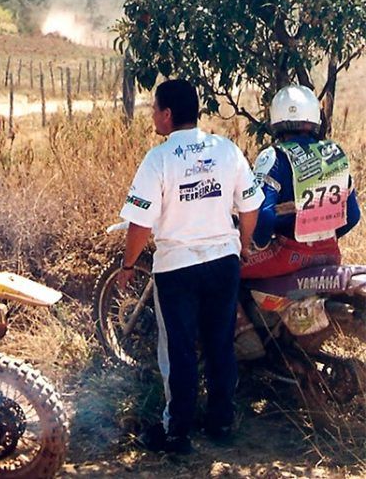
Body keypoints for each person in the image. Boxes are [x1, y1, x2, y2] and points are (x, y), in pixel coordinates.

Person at [117, 79, 263, 453]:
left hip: (177, 268)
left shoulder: (159, 159)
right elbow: (249, 208)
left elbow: (139, 224)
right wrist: (241, 247)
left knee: (179, 350)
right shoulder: (226, 149)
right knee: (219, 344)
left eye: (154, 108)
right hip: (223, 264)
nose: (152, 115)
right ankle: (221, 422)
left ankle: (177, 432)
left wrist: (128, 264)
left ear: (167, 115)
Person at [241, 85, 360, 279]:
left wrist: (259, 244)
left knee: (227, 275)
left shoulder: (274, 156)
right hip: (330, 254)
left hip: (288, 255)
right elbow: (353, 216)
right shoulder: (333, 155)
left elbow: (265, 215)